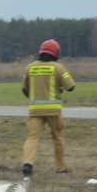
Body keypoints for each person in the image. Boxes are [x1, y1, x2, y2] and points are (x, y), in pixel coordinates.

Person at [21, 38, 75, 177]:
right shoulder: (58, 68)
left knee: (32, 137)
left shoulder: (30, 67)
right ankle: (60, 168)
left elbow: (24, 89)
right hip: (53, 111)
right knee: (58, 138)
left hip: (35, 111)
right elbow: (71, 86)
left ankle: (28, 164)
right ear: (56, 53)